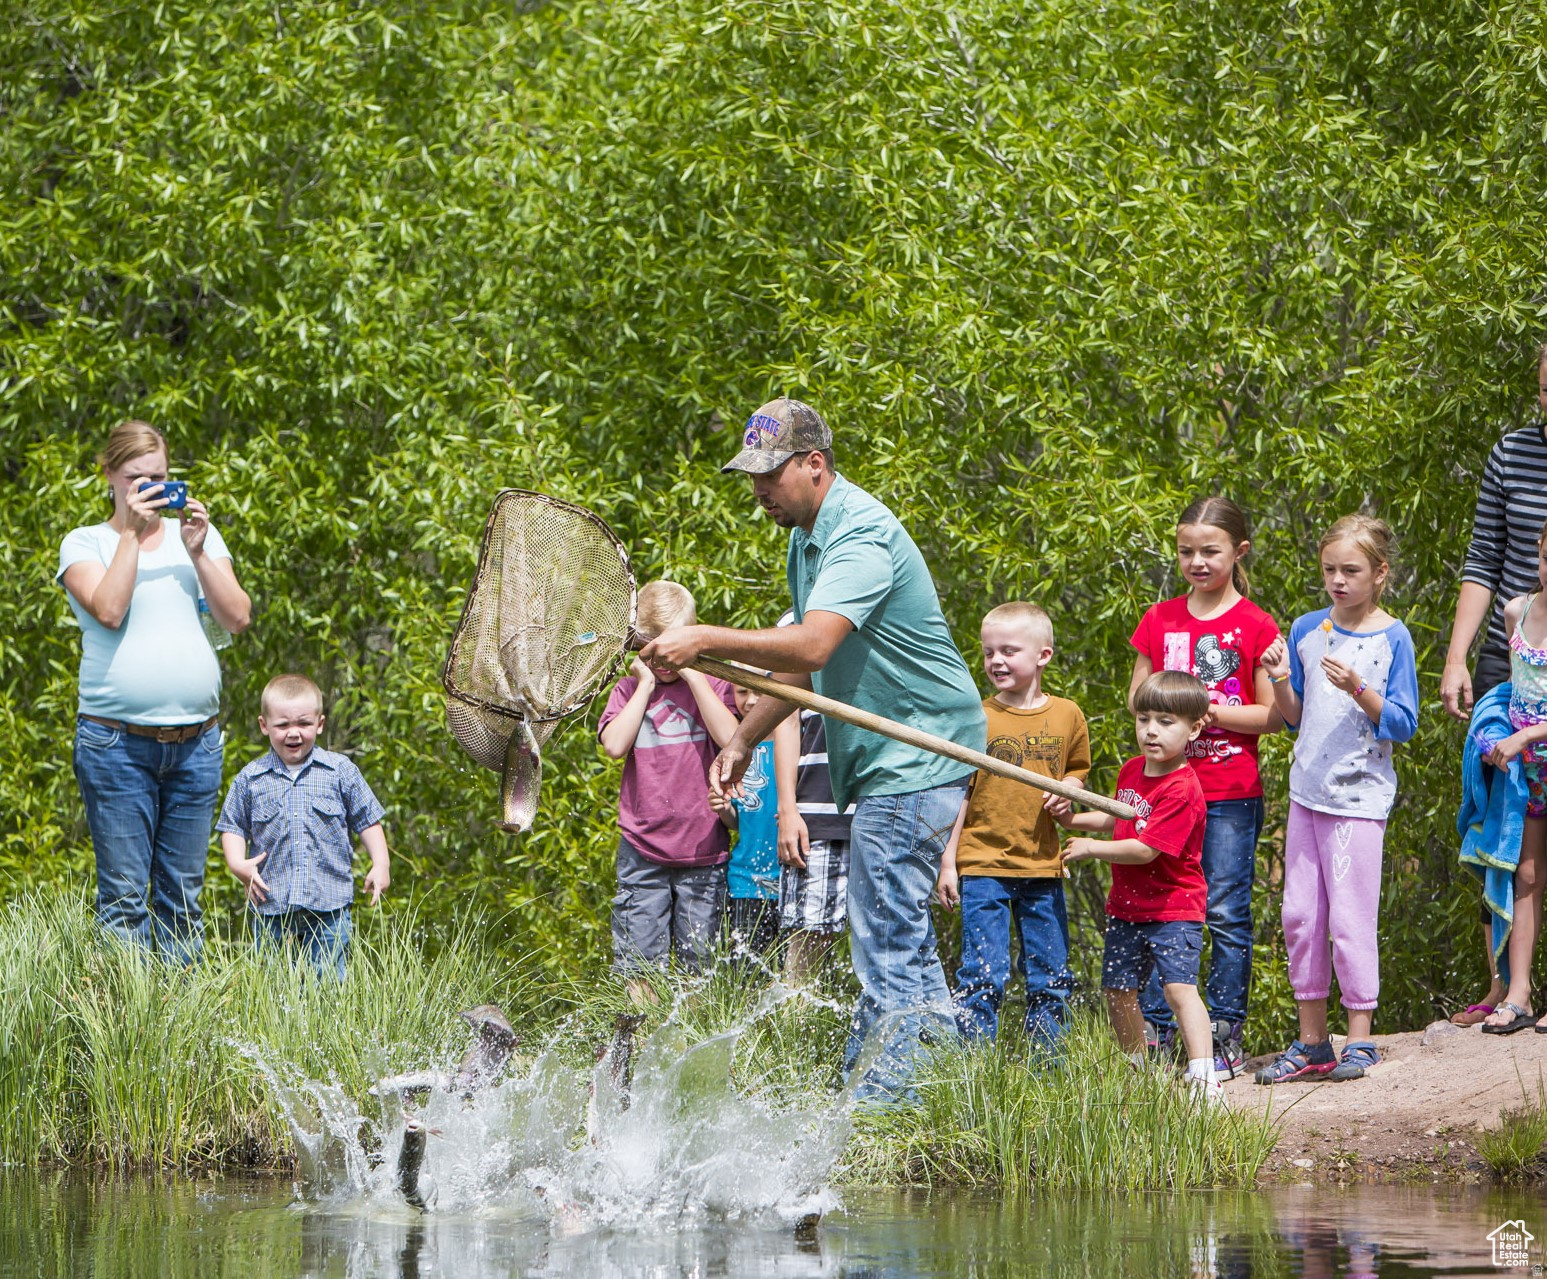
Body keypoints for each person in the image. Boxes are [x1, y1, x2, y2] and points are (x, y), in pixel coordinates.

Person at [639, 397, 987, 1101]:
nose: (759, 492)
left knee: (883, 931)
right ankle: (951, 1088)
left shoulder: (857, 535)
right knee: (901, 935)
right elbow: (802, 672)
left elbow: (814, 641)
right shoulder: (807, 538)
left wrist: (704, 638)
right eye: (751, 479)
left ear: (815, 465)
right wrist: (742, 737)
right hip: (894, 760)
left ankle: (883, 1105)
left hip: (917, 751)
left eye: (770, 476)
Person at [59, 419, 252, 963]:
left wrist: (195, 552)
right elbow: (110, 609)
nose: (151, 489)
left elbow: (236, 617)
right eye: (136, 478)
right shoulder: (86, 543)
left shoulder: (200, 537)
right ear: (110, 477)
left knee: (184, 901)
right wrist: (130, 534)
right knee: (123, 900)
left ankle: (176, 1039)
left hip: (196, 746)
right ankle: (125, 1033)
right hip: (115, 745)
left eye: (160, 477)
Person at [1254, 517, 1420, 1080]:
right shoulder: (1307, 628)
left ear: (1380, 573)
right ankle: (1311, 1043)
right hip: (1308, 794)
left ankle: (1360, 1040)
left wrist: (1358, 687)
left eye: (1351, 570)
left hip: (1359, 803)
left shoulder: (1391, 637)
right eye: (1329, 570)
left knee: (1350, 919)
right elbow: (1293, 717)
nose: (1338, 581)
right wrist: (1279, 679)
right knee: (1301, 916)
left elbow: (1401, 723)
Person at [1128, 495, 1279, 1076]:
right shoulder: (1159, 619)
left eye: (1210, 551)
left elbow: (1271, 716)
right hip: (1165, 788)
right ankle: (1159, 1035)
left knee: (1224, 910)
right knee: (1162, 906)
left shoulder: (1255, 624)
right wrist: (1167, 713)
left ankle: (1224, 1033)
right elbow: (1138, 699)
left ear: (1238, 552)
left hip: (1228, 790)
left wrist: (1207, 711)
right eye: (1186, 550)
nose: (1196, 561)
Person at [1052, 671, 1219, 1102]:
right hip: (1127, 908)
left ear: (1194, 728)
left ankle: (1204, 1076)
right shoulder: (1131, 770)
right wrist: (1074, 820)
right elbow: (1118, 818)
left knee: (1179, 988)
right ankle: (1137, 1072)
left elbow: (1146, 849)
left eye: (1165, 721)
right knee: (1117, 990)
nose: (1151, 730)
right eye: (1144, 718)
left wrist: (1090, 847)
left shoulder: (1182, 787)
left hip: (1174, 907)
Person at [1441, 345, 1547, 1023]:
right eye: (1545, 389)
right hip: (1511, 659)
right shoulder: (1512, 450)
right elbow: (1483, 557)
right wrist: (1455, 658)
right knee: (1496, 825)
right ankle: (1505, 988)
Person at [935, 602, 1090, 1048]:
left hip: (1042, 866)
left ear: (1043, 655)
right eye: (988, 652)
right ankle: (974, 1069)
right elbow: (959, 792)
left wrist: (1067, 790)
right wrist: (949, 862)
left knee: (1051, 976)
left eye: (1008, 651)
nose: (996, 661)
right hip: (982, 864)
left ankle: (1047, 1069)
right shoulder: (977, 716)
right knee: (982, 975)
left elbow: (1077, 770)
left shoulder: (1067, 714)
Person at [599, 580, 740, 1000]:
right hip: (643, 849)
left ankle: (692, 1048)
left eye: (670, 647)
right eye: (650, 647)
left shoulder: (714, 687)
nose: (662, 658)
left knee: (701, 965)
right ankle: (641, 1043)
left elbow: (733, 737)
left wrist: (694, 672)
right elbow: (614, 745)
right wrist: (643, 685)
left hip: (703, 848)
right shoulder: (629, 691)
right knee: (639, 963)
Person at [217, 674, 389, 981]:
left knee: (329, 986)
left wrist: (381, 863)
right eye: (282, 725)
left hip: (329, 905)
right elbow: (233, 826)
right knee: (273, 987)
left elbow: (368, 819)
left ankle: (327, 1029)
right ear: (264, 725)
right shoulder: (250, 778)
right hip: (272, 905)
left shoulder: (340, 771)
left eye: (304, 724)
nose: (293, 733)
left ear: (319, 724)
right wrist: (237, 864)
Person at [1469, 517, 1547, 1034]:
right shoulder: (1518, 610)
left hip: (1530, 749)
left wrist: (1523, 736)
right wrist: (1494, 733)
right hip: (1529, 775)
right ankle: (1517, 992)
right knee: (1526, 875)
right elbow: (1511, 689)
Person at [773, 609, 856, 987]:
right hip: (815, 813)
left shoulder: (880, 611)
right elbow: (784, 720)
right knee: (805, 944)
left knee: (884, 941)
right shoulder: (793, 624)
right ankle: (793, 1035)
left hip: (881, 807)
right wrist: (788, 810)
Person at [709, 672, 799, 965]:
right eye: (741, 692)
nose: (750, 701)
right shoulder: (737, 755)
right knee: (746, 980)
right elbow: (739, 821)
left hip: (793, 880)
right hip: (746, 883)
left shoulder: (800, 747)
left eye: (759, 691)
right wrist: (724, 809)